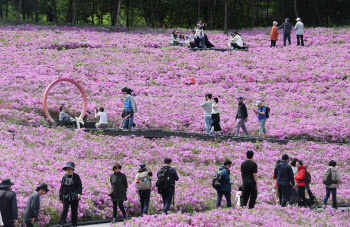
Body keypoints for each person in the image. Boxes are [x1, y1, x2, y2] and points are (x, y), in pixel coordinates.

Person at [59, 162, 83, 227]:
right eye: (67, 169)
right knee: (64, 210)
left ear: (72, 169)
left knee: (74, 211)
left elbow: (79, 186)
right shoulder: (64, 176)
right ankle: (62, 224)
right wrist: (60, 197)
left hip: (74, 196)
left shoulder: (76, 176)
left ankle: (74, 224)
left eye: (70, 168)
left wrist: (79, 193)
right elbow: (62, 187)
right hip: (66, 196)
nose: (68, 170)